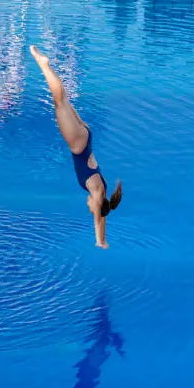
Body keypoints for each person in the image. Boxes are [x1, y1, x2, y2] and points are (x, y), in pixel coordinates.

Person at [30, 45, 122, 249]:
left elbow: (103, 216)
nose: (89, 206)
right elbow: (99, 219)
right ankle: (44, 65)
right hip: (78, 143)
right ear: (98, 206)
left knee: (63, 100)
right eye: (91, 208)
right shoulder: (98, 194)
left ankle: (46, 66)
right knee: (59, 101)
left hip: (86, 136)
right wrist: (100, 241)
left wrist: (104, 235)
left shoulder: (102, 189)